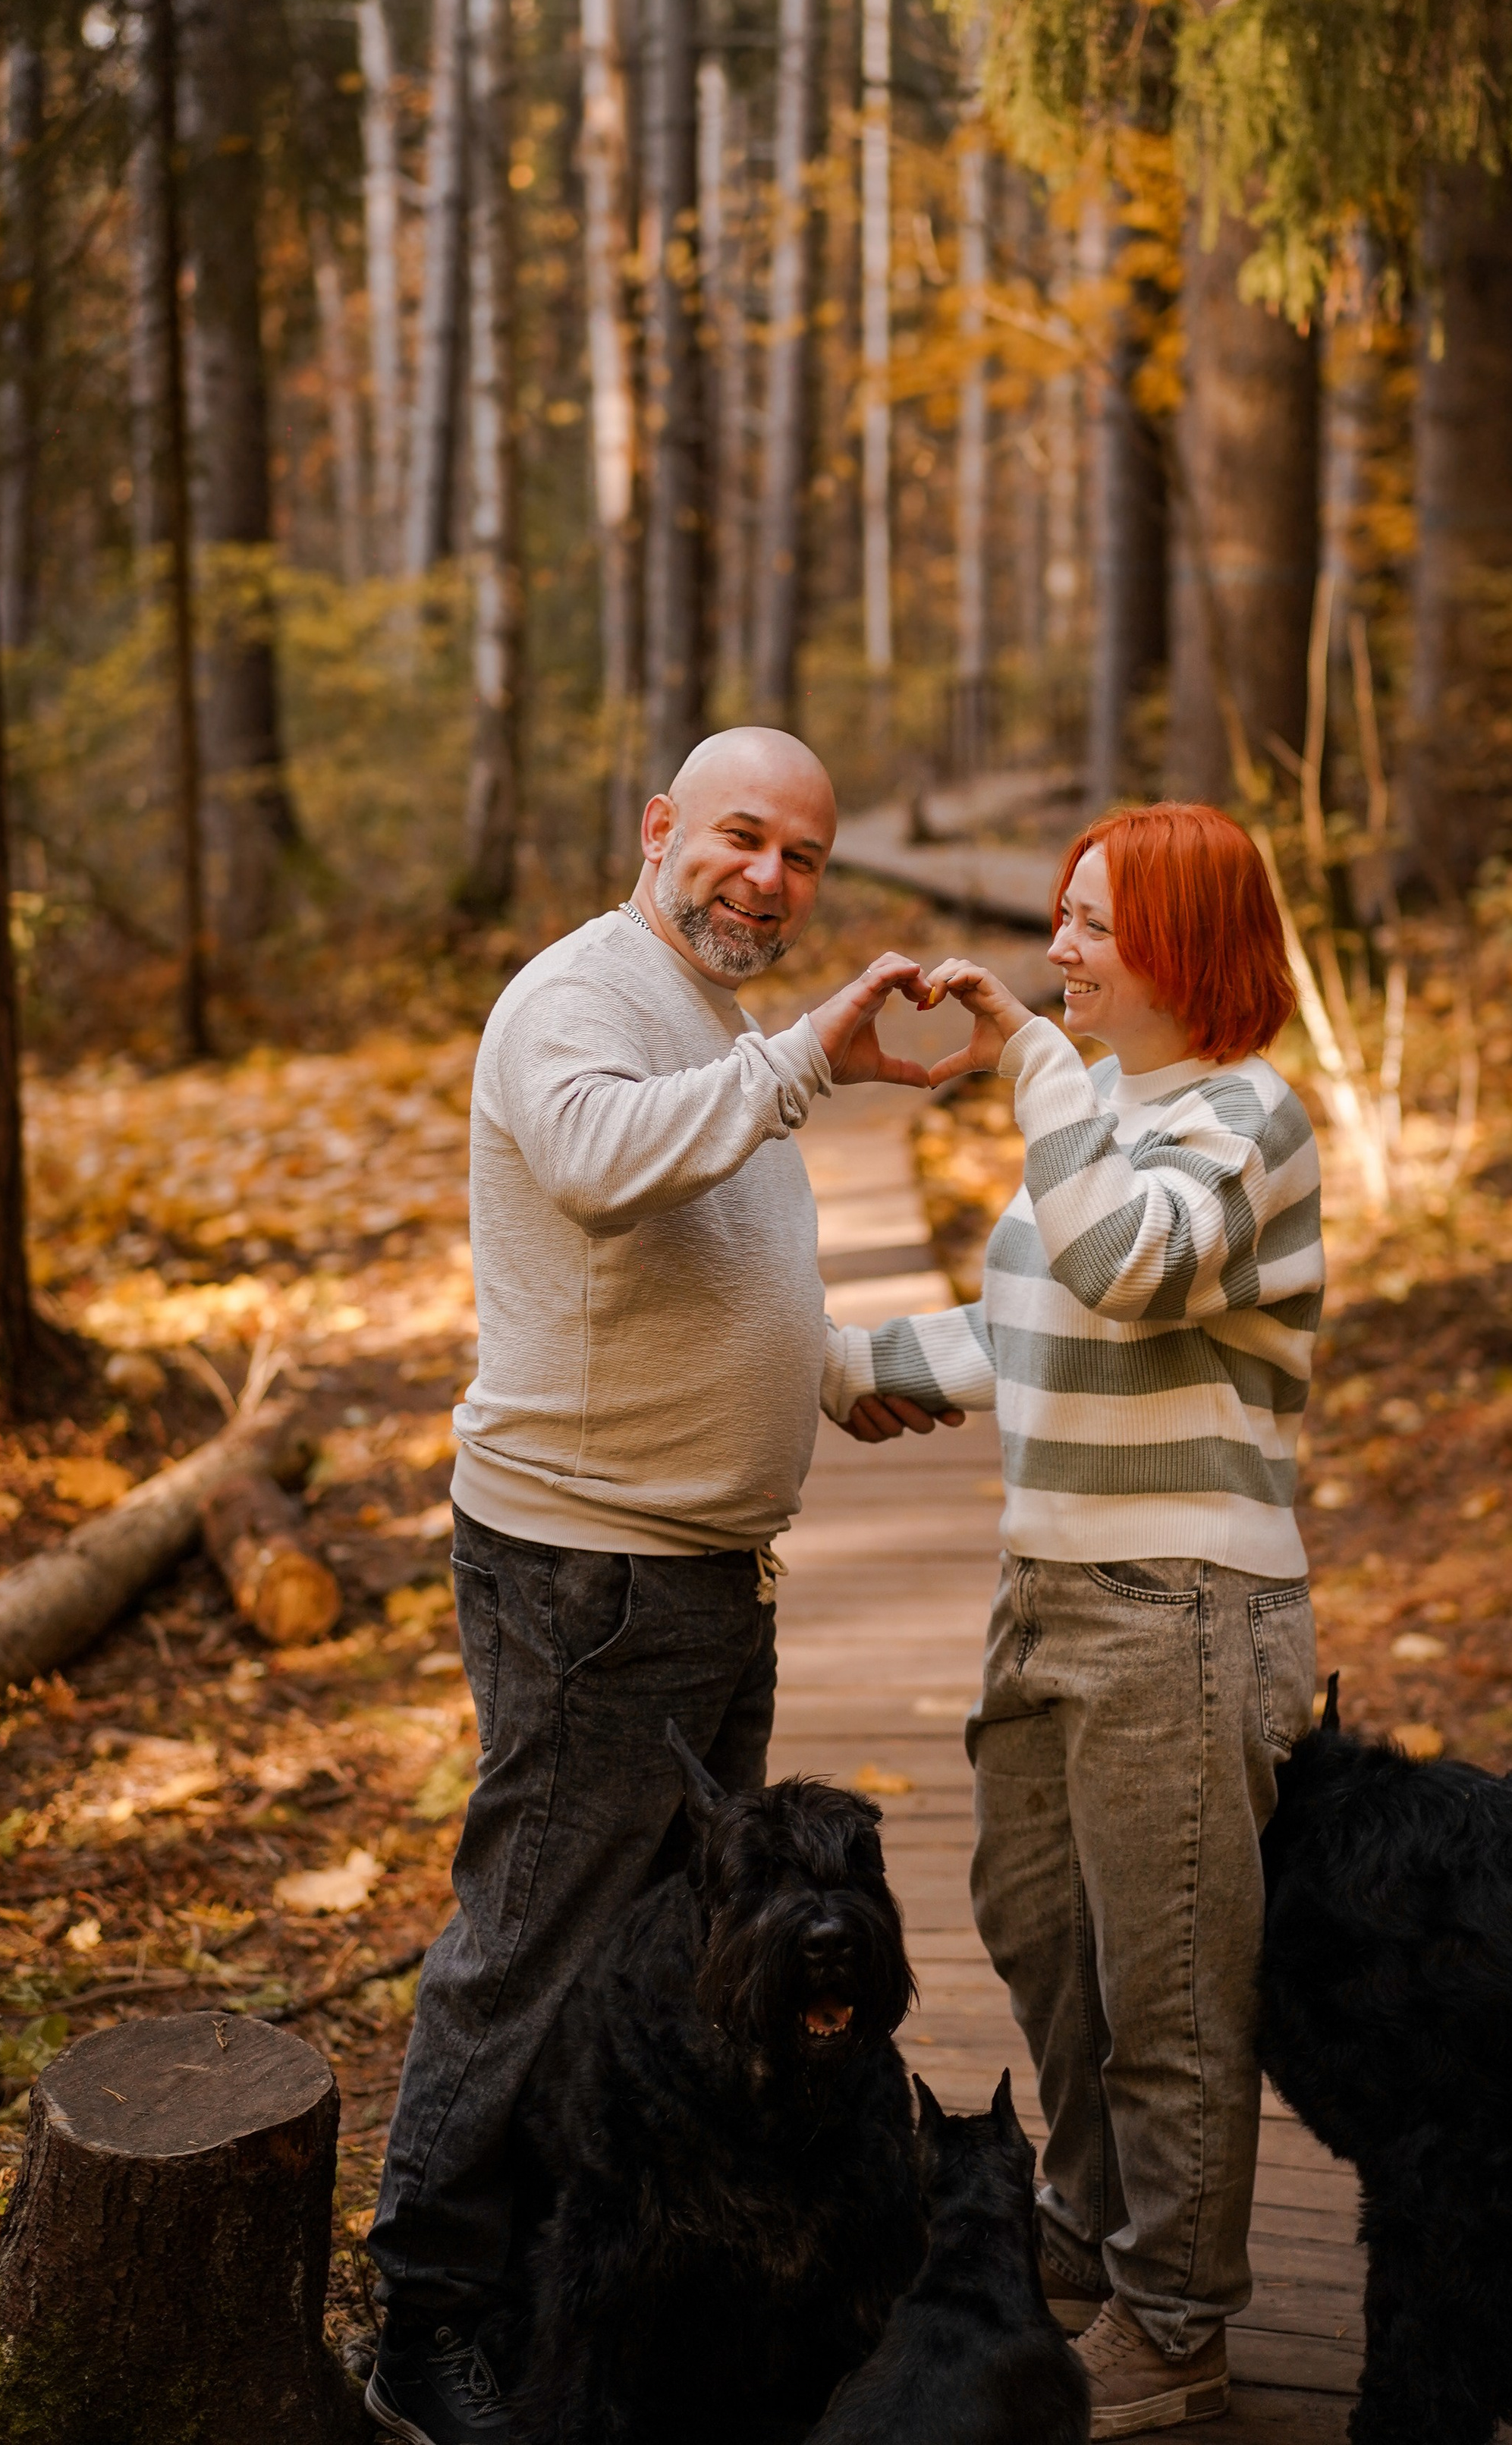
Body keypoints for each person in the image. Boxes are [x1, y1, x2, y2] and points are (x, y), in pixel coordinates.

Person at [366, 727, 948, 2445]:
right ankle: (426, 2308)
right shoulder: (579, 1001)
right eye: (741, 839)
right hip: (587, 1573)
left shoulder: (704, 1027)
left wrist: (827, 1367)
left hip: (696, 1568)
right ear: (658, 830)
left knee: (665, 1944)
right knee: (531, 1940)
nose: (768, 880)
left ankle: (577, 2256)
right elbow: (604, 1169)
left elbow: (698, 1261)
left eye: (802, 860)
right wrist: (807, 1063)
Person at [827, 802, 1324, 2441]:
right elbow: (1034, 1320)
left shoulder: (1248, 1118)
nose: (1055, 954)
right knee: (1045, 1944)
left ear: (1186, 941)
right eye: (1058, 917)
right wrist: (847, 1364)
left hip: (1180, 1607)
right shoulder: (1104, 1108)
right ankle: (1086, 2237)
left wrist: (1033, 1071)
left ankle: (1174, 2323)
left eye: (1092, 926)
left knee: (1167, 1988)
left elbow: (1125, 1268)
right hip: (1044, 1596)